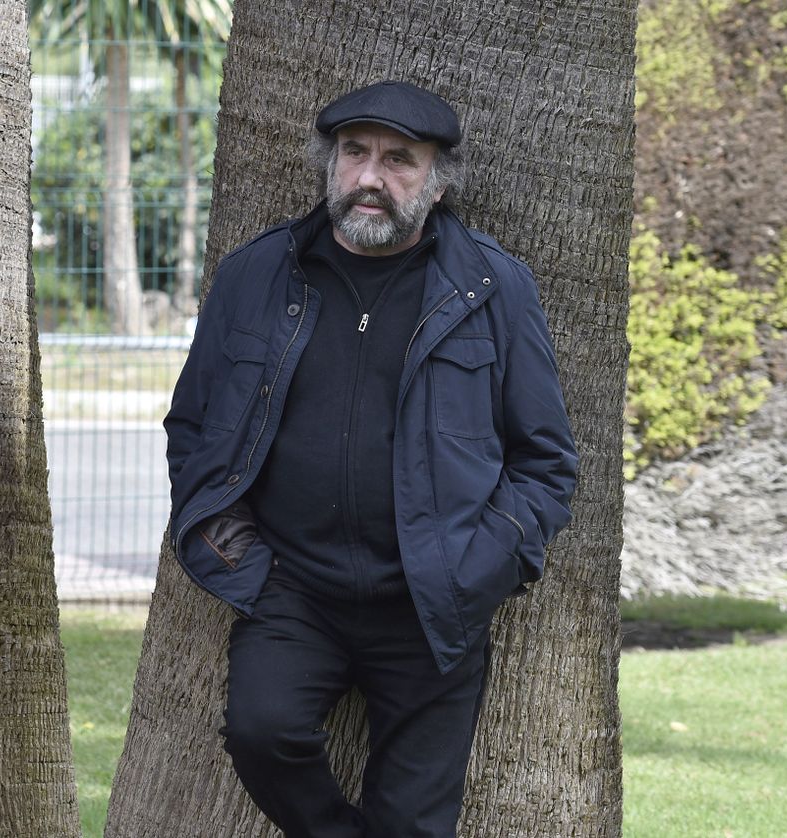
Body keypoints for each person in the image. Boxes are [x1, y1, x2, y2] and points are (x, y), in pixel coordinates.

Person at [163, 80, 578, 837]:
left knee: (417, 820)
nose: (370, 180)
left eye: (399, 161)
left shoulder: (494, 288)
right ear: (330, 164)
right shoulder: (254, 277)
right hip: (295, 592)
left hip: (434, 598)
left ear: (438, 180)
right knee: (262, 732)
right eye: (354, 154)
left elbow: (545, 460)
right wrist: (245, 563)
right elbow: (194, 429)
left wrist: (485, 560)